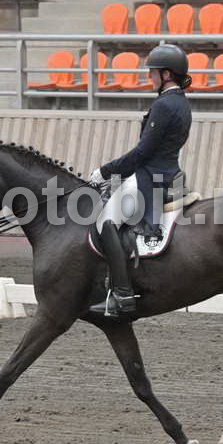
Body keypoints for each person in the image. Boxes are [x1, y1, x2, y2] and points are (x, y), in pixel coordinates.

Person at [87, 43, 193, 317]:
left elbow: (142, 153)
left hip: (151, 176)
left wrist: (105, 171)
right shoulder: (181, 102)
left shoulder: (165, 105)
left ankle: (122, 295)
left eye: (153, 72)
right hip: (167, 171)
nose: (149, 77)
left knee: (106, 222)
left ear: (167, 74)